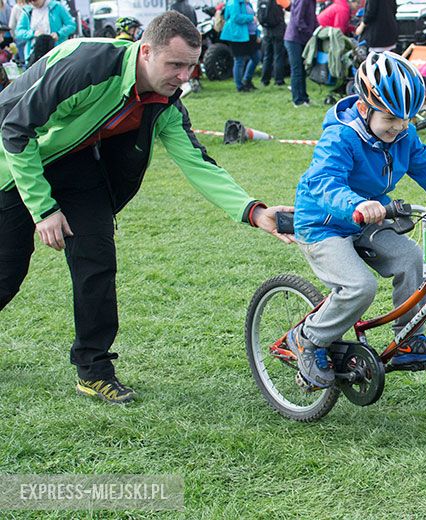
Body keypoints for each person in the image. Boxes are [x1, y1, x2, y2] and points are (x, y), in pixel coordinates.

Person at [0, 11, 293, 404]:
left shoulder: (166, 103)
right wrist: (43, 209)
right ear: (145, 51)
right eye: (175, 65)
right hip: (15, 161)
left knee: (97, 261)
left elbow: (197, 163)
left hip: (79, 165)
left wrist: (254, 211)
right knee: (8, 271)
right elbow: (16, 130)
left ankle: (94, 370)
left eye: (191, 66)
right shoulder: (87, 66)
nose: (184, 77)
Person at [287, 52, 426, 388]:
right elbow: (324, 182)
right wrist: (357, 204)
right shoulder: (340, 137)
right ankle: (308, 338)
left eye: (406, 119)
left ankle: (407, 340)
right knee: (360, 286)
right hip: (324, 224)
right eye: (390, 118)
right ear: (363, 108)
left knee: (412, 257)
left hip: (368, 220)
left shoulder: (403, 136)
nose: (398, 127)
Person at [14, 0, 76, 67]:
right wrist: (33, 33)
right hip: (34, 53)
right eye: (29, 1)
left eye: (35, 0)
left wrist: (59, 34)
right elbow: (18, 32)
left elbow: (71, 25)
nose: (32, 2)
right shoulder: (27, 11)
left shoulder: (57, 7)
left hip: (56, 51)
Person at [220, 0, 260, 92]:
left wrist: (257, 33)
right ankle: (240, 86)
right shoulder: (234, 2)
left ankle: (247, 80)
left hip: (250, 35)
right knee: (239, 60)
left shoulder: (247, 3)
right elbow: (235, 18)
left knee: (256, 57)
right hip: (237, 36)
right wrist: (251, 18)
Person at [284, 0, 316, 106]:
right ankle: (297, 100)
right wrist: (311, 33)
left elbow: (312, 18)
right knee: (297, 70)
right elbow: (298, 20)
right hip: (294, 38)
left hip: (301, 38)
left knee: (301, 70)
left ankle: (304, 98)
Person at [258, 0, 286, 86]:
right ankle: (278, 80)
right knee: (278, 56)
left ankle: (264, 80)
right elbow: (289, 7)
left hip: (266, 30)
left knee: (267, 56)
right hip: (278, 30)